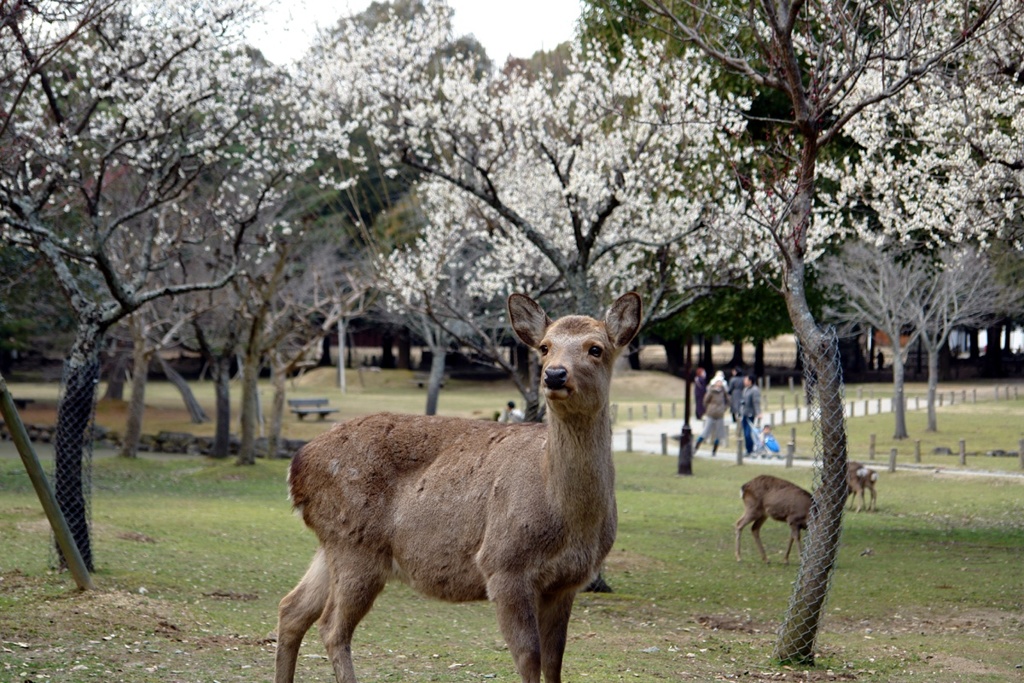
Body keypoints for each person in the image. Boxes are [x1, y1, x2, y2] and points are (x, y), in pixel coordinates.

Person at [694, 371, 728, 456]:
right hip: (711, 413)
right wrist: (709, 409)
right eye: (718, 382)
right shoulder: (711, 391)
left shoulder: (723, 391)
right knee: (705, 432)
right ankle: (695, 448)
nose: (719, 384)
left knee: (718, 434)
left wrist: (724, 408)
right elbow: (705, 401)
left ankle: (714, 451)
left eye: (720, 382)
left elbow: (727, 400)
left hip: (720, 414)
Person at [740, 374, 762, 456]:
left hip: (750, 414)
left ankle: (751, 449)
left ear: (750, 381)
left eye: (746, 380)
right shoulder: (745, 389)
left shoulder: (754, 390)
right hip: (744, 413)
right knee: (745, 433)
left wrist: (758, 413)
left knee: (748, 433)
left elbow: (756, 402)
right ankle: (748, 450)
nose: (744, 381)